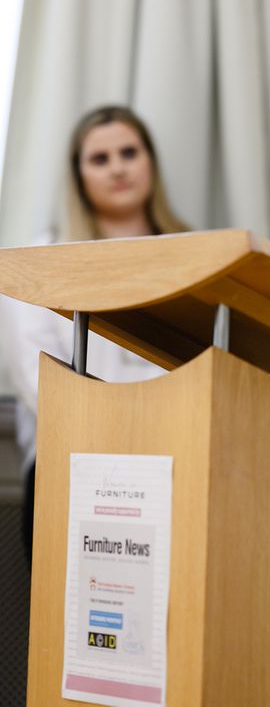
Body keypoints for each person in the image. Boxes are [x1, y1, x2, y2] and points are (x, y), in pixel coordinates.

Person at [0, 105, 188, 562]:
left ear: (151, 162)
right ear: (78, 175)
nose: (118, 168)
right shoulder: (43, 262)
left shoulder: (193, 255)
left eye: (129, 153)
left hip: (178, 464)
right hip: (72, 465)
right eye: (100, 159)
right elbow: (38, 380)